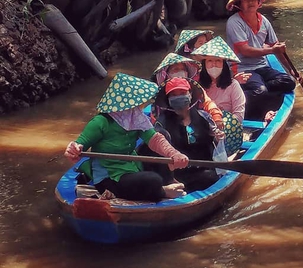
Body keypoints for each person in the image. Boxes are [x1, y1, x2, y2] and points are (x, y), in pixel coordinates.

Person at [64, 73, 189, 202]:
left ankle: (167, 180)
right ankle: (163, 191)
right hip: (110, 176)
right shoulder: (100, 122)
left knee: (161, 134)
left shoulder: (135, 119)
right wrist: (74, 150)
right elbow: (79, 145)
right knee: (153, 180)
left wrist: (174, 153)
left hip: (132, 166)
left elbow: (155, 139)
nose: (139, 107)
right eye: (136, 104)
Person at [225, 0, 297, 120]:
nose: (251, 2)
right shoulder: (234, 22)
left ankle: (259, 91)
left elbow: (276, 47)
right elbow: (245, 51)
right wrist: (271, 50)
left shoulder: (264, 21)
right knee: (260, 91)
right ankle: (241, 107)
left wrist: (291, 70)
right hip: (242, 68)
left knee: (289, 82)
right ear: (239, 4)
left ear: (259, 2)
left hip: (262, 66)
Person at [141, 77, 222, 193]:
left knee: (209, 176)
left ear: (190, 94)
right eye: (174, 94)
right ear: (168, 99)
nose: (179, 97)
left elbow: (214, 145)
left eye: (183, 93)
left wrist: (218, 138)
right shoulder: (161, 123)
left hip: (204, 167)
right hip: (177, 174)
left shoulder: (203, 117)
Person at [192, 35, 246, 156]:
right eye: (210, 61)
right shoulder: (197, 85)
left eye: (218, 61)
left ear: (224, 64)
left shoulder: (233, 85)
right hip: (202, 129)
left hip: (227, 130)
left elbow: (238, 116)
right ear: (204, 64)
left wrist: (220, 128)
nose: (214, 64)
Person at [152, 52, 225, 133]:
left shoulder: (195, 87)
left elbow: (207, 102)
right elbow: (155, 119)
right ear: (166, 73)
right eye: (176, 69)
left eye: (183, 69)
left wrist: (216, 115)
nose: (180, 72)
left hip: (194, 124)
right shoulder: (158, 95)